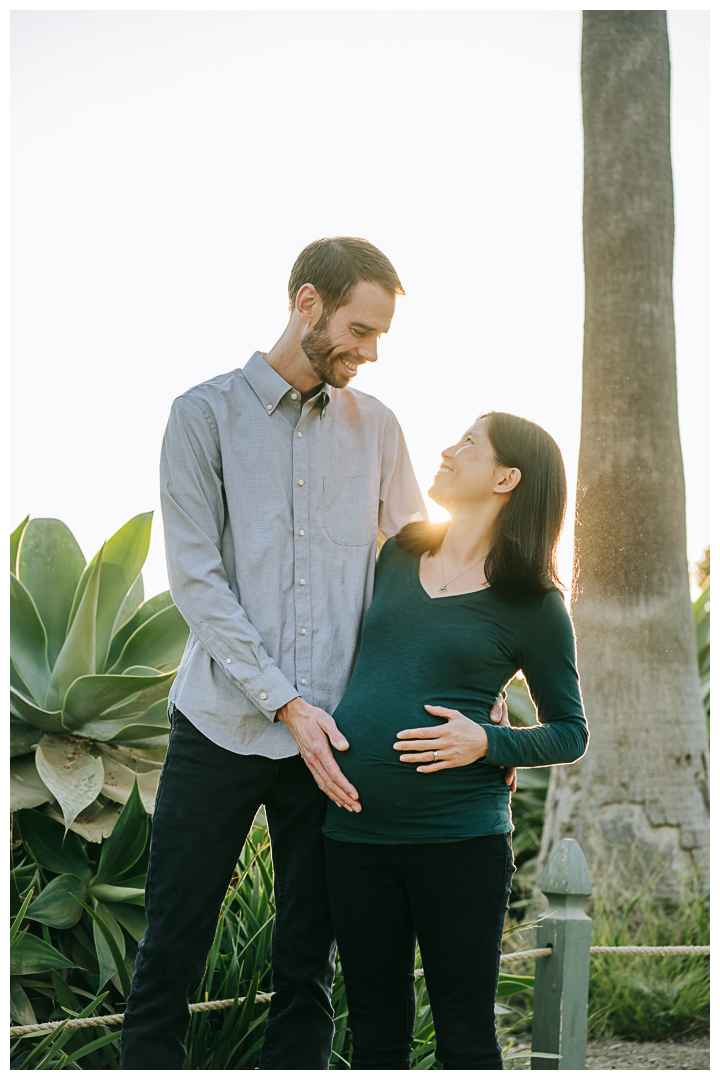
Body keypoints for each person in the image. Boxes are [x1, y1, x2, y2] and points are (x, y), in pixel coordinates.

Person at [119, 237, 511, 1070]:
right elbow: (196, 579)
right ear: (307, 305)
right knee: (171, 949)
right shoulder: (202, 415)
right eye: (360, 331)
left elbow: (419, 560)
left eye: (379, 338)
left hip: (334, 742)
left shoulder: (379, 428)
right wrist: (284, 703)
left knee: (308, 963)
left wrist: (478, 683)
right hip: (220, 725)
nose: (369, 352)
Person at [322, 411, 590, 1071]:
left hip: (460, 843)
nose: (448, 449)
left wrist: (488, 743)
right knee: (375, 1039)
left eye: (469, 442)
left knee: (466, 1040)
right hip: (354, 837)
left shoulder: (534, 603)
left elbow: (569, 731)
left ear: (507, 477)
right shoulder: (399, 552)